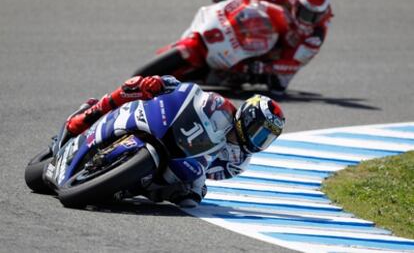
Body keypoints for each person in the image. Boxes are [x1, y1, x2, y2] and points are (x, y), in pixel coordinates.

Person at [65, 75, 285, 207]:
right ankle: (90, 114)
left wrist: (194, 184)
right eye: (259, 131)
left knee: (192, 198)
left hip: (187, 161)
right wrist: (164, 83)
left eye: (266, 138)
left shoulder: (239, 162)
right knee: (137, 85)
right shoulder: (221, 106)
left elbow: (210, 174)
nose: (259, 139)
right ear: (246, 118)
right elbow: (189, 94)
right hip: (171, 131)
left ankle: (127, 186)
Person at [209, 0, 333, 95]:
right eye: (307, 15)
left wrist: (266, 67)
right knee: (253, 10)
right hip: (281, 24)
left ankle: (246, 77)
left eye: (315, 17)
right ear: (297, 4)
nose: (310, 20)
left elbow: (294, 64)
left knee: (277, 86)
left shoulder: (316, 35)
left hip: (290, 49)